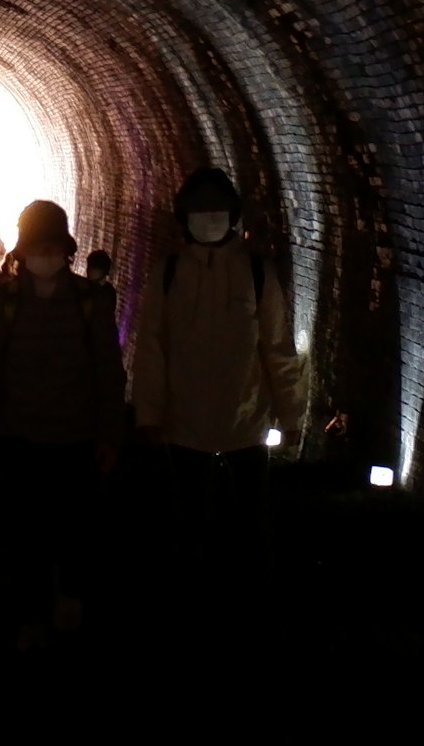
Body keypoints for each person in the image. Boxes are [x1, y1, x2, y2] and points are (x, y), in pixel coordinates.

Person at [129, 166, 303, 609]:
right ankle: (195, 601)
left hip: (245, 421)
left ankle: (250, 601)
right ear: (183, 216)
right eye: (199, 209)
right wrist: (148, 414)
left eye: (216, 209)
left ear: (233, 215)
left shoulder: (257, 275)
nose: (208, 217)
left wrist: (291, 413)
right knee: (189, 523)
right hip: (184, 422)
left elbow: (277, 348)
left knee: (250, 524)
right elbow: (150, 347)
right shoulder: (168, 274)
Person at [0, 199, 126, 638]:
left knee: (75, 533)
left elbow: (109, 372)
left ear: (66, 249)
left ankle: (69, 607)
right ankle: (34, 617)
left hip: (75, 442)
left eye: (52, 246)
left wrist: (110, 435)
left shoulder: (88, 301)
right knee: (27, 537)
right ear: (23, 250)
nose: (46, 254)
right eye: (39, 246)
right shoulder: (6, 299)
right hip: (19, 440)